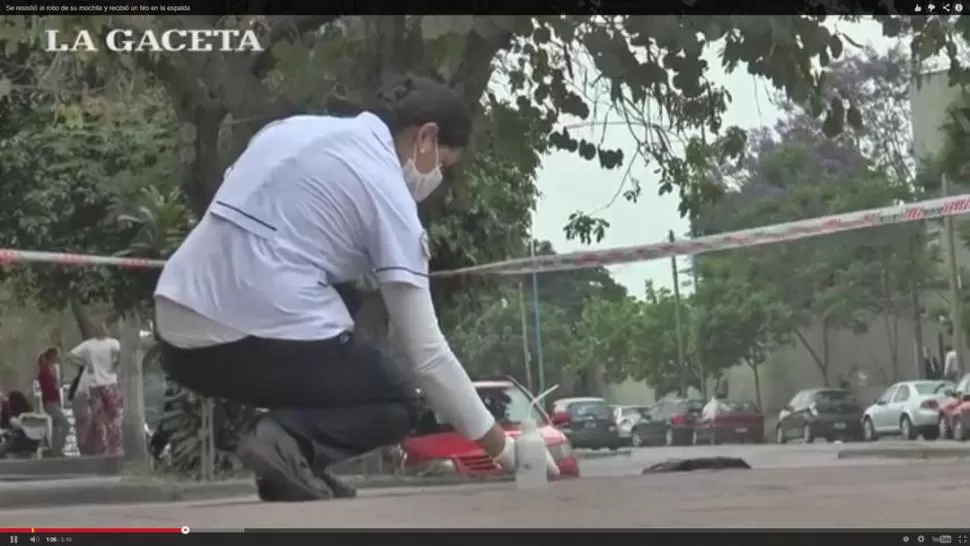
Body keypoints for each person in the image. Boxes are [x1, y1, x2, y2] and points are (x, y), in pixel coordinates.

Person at [154, 74, 558, 502]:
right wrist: (508, 452)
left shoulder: (289, 130)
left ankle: (293, 463)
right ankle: (285, 440)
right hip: (245, 331)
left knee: (344, 298)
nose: (436, 177)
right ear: (426, 136)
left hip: (177, 336)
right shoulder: (387, 191)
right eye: (442, 164)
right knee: (399, 398)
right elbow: (428, 355)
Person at [68, 323, 122, 456]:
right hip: (105, 383)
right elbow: (70, 355)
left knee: (105, 417)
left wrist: (87, 363)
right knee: (109, 416)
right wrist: (87, 363)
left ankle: (108, 446)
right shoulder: (104, 343)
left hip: (101, 383)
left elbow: (70, 354)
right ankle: (111, 446)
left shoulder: (98, 344)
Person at [36, 347, 69, 457]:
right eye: (57, 355)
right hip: (49, 402)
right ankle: (57, 448)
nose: (58, 357)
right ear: (52, 356)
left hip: (55, 401)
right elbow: (48, 387)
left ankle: (54, 450)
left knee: (56, 425)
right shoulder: (45, 371)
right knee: (65, 424)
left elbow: (56, 386)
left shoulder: (53, 369)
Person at [66, 366, 94, 455]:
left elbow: (69, 396)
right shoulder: (87, 382)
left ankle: (81, 448)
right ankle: (86, 448)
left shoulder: (76, 380)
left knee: (79, 428)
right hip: (84, 407)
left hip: (76, 408)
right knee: (86, 427)